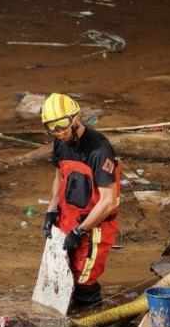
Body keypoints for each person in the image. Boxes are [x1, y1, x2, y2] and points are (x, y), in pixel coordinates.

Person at [40, 93, 120, 307]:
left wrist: (80, 231)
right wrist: (51, 211)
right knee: (65, 274)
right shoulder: (59, 143)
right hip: (68, 216)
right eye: (52, 127)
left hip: (95, 225)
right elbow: (60, 177)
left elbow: (108, 201)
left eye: (62, 125)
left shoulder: (99, 150)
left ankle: (90, 324)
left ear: (75, 119)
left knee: (85, 278)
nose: (58, 132)